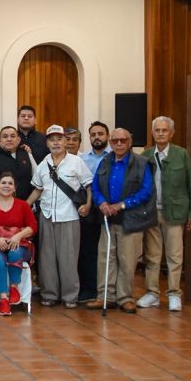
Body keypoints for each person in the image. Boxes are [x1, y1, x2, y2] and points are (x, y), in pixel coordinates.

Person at [89, 128, 155, 314]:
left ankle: (125, 298)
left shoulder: (141, 163)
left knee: (127, 260)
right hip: (107, 218)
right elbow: (95, 187)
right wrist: (101, 202)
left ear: (130, 142)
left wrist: (122, 205)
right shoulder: (105, 161)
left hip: (130, 218)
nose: (119, 144)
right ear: (110, 143)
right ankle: (105, 297)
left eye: (123, 140)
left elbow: (146, 191)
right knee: (105, 259)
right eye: (115, 141)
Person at [137, 116, 191, 312]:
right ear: (152, 133)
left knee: (174, 255)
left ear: (171, 133)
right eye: (157, 130)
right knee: (152, 256)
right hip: (151, 213)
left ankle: (174, 294)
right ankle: (152, 293)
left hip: (175, 213)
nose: (161, 133)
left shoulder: (181, 154)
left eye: (164, 130)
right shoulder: (146, 155)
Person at [28, 124, 93, 309]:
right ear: (47, 143)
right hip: (47, 215)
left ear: (65, 142)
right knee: (47, 258)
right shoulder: (43, 164)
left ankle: (70, 296)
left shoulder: (76, 162)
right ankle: (49, 294)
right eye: (52, 140)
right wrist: (24, 206)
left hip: (69, 216)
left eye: (59, 139)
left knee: (69, 258)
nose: (55, 143)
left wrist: (88, 205)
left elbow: (89, 185)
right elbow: (38, 189)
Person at [0, 173, 38, 316]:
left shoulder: (23, 205)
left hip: (18, 243)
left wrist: (18, 236)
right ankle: (4, 298)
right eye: (3, 183)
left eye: (10, 183)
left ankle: (14, 287)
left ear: (15, 187)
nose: (7, 186)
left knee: (14, 253)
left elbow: (33, 226)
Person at [77, 121, 110, 302]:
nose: (97, 137)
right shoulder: (82, 159)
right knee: (88, 250)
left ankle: (108, 290)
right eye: (93, 134)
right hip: (90, 209)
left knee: (108, 251)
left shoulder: (114, 156)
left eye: (100, 134)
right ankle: (89, 289)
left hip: (110, 208)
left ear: (107, 136)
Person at [0, 126, 37, 201]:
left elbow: (37, 178)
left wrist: (28, 204)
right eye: (5, 137)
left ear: (18, 140)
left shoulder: (27, 154)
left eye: (12, 136)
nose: (9, 139)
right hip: (2, 205)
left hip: (27, 204)